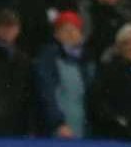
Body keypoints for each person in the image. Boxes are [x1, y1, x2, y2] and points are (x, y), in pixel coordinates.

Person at [34, 10, 92, 138]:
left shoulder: (86, 62)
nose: (71, 34)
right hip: (58, 131)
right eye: (66, 30)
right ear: (56, 34)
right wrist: (57, 123)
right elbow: (47, 92)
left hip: (82, 129)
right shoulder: (48, 58)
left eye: (74, 30)